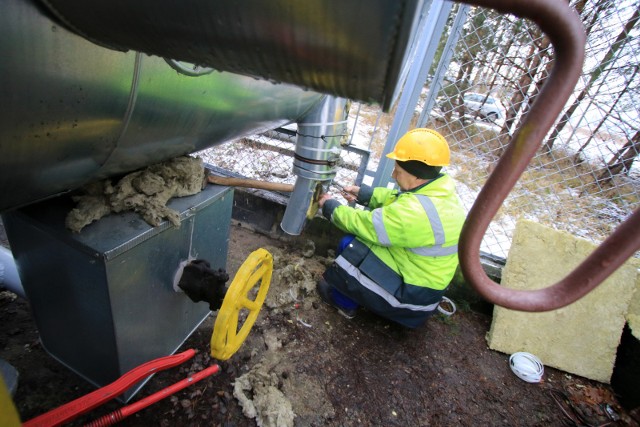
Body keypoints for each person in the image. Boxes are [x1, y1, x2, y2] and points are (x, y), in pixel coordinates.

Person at [316, 128, 466, 328]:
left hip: (412, 296)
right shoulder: (439, 192)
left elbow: (366, 224)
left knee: (350, 245)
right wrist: (366, 195)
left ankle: (343, 303)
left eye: (399, 171)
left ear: (418, 177)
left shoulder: (416, 213)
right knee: (360, 244)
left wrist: (330, 207)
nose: (394, 175)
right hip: (421, 281)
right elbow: (399, 201)